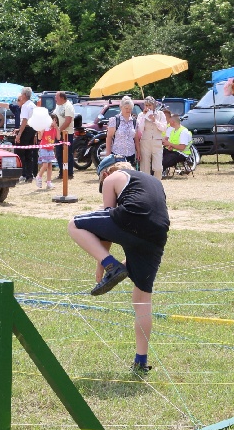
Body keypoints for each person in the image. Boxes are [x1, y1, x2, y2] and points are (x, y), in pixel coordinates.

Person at [68, 154, 170, 374]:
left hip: (133, 218)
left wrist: (103, 264)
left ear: (105, 173)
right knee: (141, 299)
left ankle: (112, 266)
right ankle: (141, 361)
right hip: (158, 234)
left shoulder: (111, 178)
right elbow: (150, 216)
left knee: (74, 225)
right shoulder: (151, 180)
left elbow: (108, 223)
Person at [135, 96, 167, 178]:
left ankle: (157, 183)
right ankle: (146, 184)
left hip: (157, 143)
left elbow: (164, 128)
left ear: (154, 106)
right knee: (145, 168)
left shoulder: (160, 114)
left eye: (150, 105)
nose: (148, 107)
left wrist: (154, 120)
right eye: (146, 105)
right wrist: (144, 117)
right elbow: (140, 129)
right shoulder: (141, 115)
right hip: (145, 142)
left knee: (158, 168)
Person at [15, 87, 39, 183]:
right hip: (32, 129)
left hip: (26, 130)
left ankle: (23, 174)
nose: (20, 96)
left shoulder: (25, 106)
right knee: (29, 153)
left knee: (20, 152)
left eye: (21, 94)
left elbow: (24, 121)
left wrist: (19, 134)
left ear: (24, 95)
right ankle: (30, 175)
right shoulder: (33, 105)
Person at [104, 96, 137, 165]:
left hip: (131, 154)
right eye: (126, 108)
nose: (128, 110)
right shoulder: (115, 120)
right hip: (117, 154)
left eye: (130, 108)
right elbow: (109, 137)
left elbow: (136, 138)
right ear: (121, 107)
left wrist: (138, 152)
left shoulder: (134, 121)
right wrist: (108, 152)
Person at [52, 91, 76, 179]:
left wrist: (59, 130)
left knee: (67, 153)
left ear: (62, 98)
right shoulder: (58, 106)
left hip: (67, 133)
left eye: (57, 97)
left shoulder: (68, 106)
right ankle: (62, 172)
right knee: (59, 153)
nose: (55, 99)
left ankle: (69, 173)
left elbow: (68, 121)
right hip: (58, 133)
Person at [36, 114, 58, 189]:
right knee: (45, 165)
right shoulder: (45, 128)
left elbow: (58, 137)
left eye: (55, 120)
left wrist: (57, 128)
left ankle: (49, 182)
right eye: (53, 120)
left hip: (50, 148)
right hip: (44, 148)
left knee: (50, 166)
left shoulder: (54, 129)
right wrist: (39, 132)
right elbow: (39, 138)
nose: (54, 122)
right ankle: (39, 177)